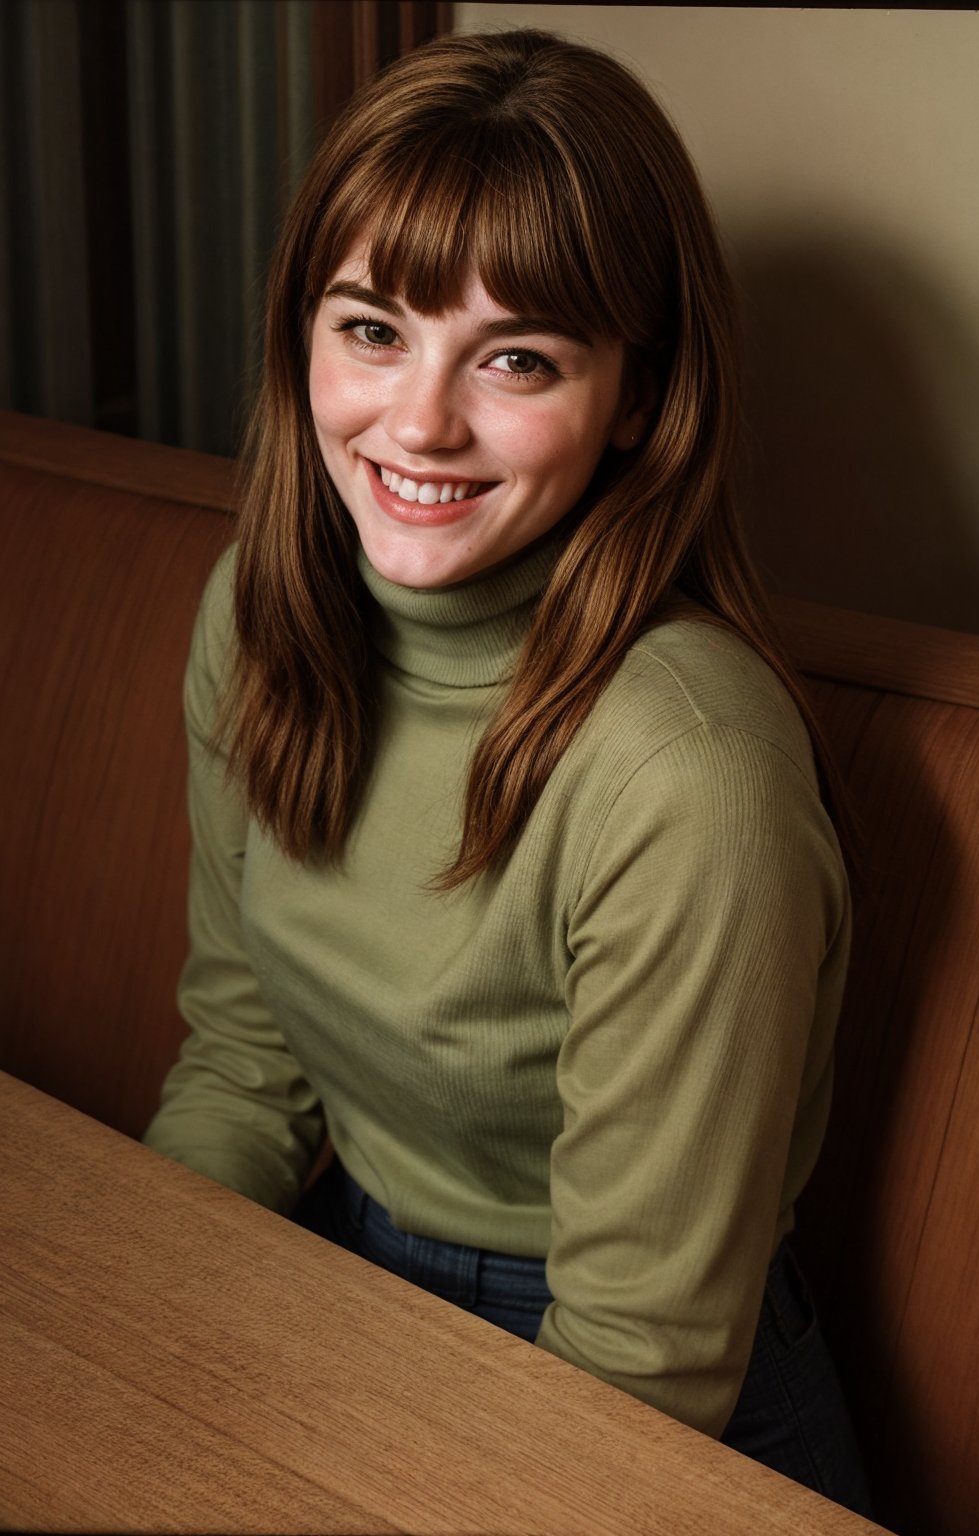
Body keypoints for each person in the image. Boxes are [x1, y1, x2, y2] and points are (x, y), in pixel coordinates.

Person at [143, 27, 872, 1515]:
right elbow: (245, 1057)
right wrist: (134, 1323)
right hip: (335, 1260)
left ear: (636, 398)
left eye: (518, 356)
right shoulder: (259, 615)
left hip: (632, 1396)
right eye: (371, 328)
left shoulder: (689, 772)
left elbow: (639, 1366)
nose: (418, 421)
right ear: (302, 336)